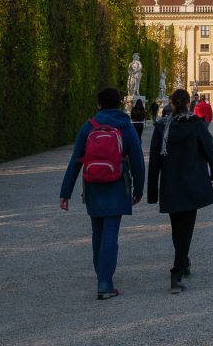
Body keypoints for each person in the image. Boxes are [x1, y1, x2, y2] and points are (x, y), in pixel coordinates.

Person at [59, 87, 145, 300]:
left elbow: (75, 161)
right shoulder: (125, 125)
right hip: (117, 184)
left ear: (99, 104)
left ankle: (102, 275)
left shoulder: (89, 126)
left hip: (93, 186)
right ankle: (105, 282)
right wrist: (140, 189)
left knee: (97, 232)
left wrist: (65, 192)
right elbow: (137, 161)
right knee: (110, 233)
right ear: (119, 104)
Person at [148, 88, 213, 294]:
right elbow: (211, 151)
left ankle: (183, 261)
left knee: (177, 227)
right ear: (189, 104)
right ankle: (177, 271)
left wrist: (152, 191)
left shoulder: (162, 128)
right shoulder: (197, 125)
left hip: (171, 184)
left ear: (171, 105)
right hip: (192, 183)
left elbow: (154, 162)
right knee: (185, 229)